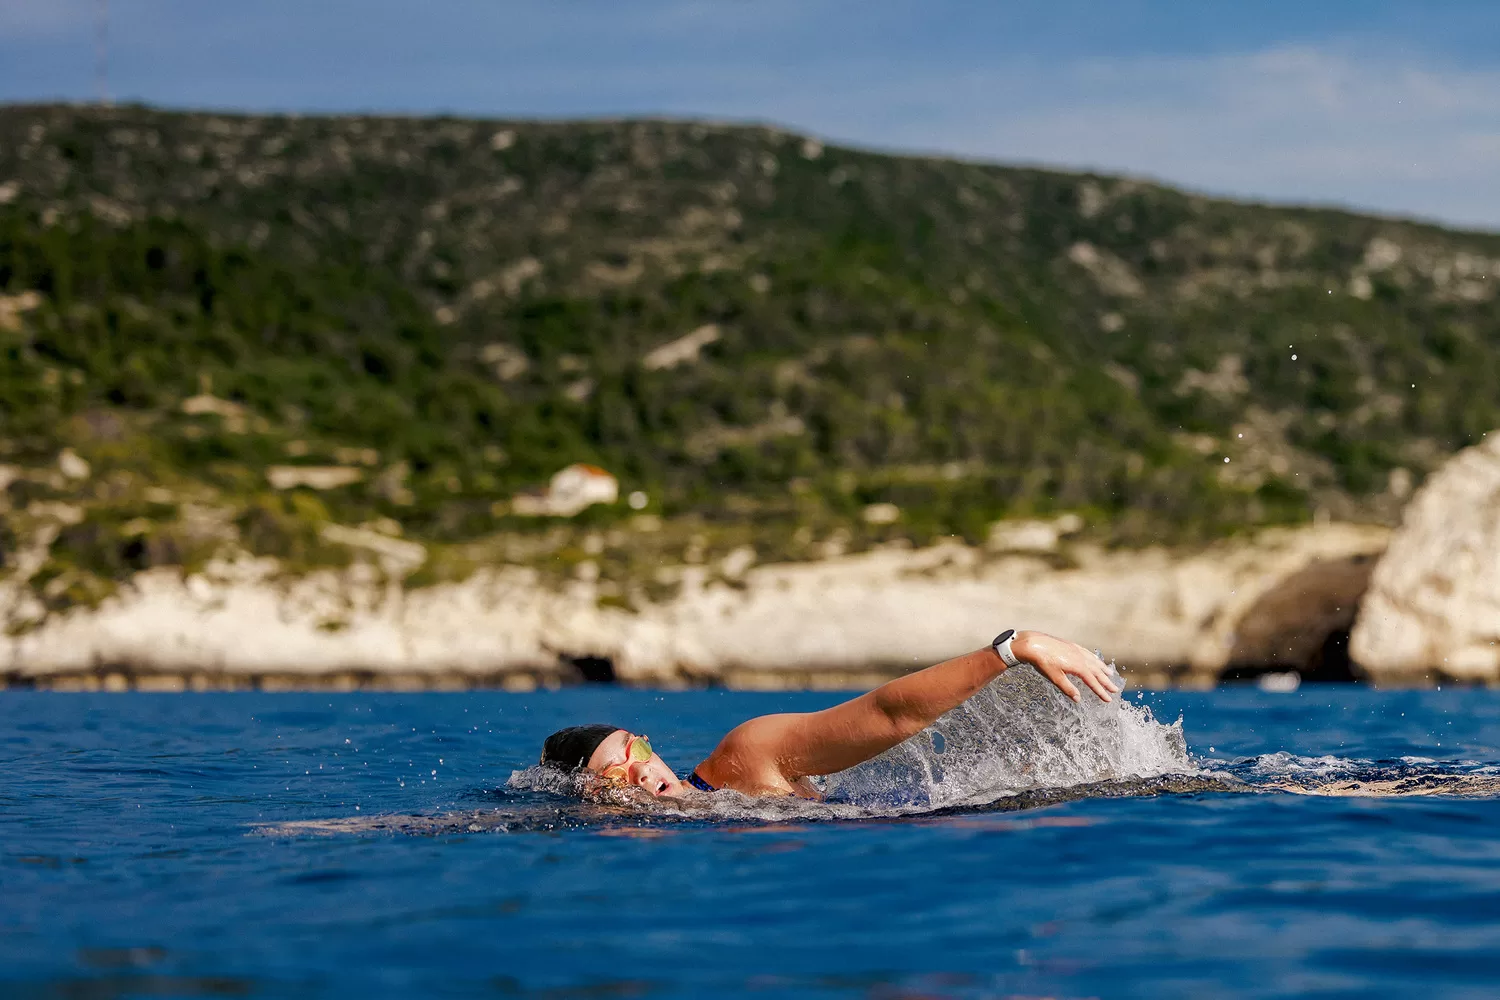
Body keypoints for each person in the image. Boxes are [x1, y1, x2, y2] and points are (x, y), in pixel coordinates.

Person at [538, 629, 1121, 798]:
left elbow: (886, 715)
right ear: (594, 796)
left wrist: (1010, 650)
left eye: (635, 751)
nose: (640, 771)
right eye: (615, 773)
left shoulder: (744, 758)